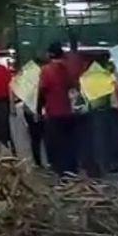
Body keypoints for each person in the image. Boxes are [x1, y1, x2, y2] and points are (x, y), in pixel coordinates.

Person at [39, 42, 81, 176]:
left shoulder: (46, 70)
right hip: (68, 111)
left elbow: (42, 90)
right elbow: (75, 86)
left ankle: (60, 171)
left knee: (56, 143)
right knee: (70, 142)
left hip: (53, 112)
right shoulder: (68, 69)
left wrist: (38, 109)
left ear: (50, 54)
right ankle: (72, 169)